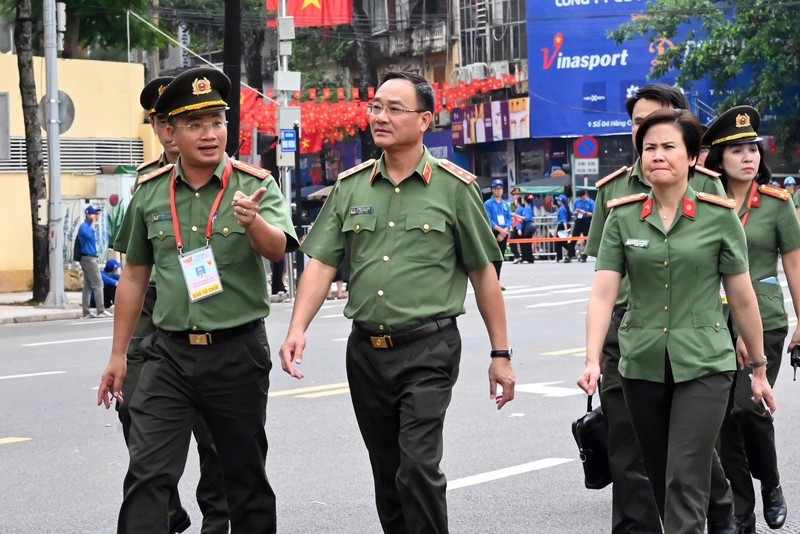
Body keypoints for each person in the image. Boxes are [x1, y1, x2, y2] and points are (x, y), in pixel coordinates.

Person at [279, 71, 515, 534]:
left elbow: (484, 273)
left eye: (394, 109)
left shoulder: (454, 188)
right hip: (366, 353)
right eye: (376, 107)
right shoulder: (351, 188)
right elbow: (322, 264)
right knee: (388, 474)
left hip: (429, 348)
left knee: (418, 468)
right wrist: (296, 328)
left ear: (425, 120)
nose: (380, 117)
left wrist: (500, 354)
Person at [97, 67, 298, 533]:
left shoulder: (255, 184)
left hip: (236, 353)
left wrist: (254, 223)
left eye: (217, 122)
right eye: (196, 125)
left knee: (243, 476)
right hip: (168, 354)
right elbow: (132, 276)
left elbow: (277, 250)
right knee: (147, 472)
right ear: (171, 131)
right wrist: (118, 355)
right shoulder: (149, 194)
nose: (210, 135)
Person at [579, 107, 776, 534]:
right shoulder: (622, 215)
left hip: (706, 363)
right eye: (649, 148)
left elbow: (742, 298)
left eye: (669, 146)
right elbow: (603, 293)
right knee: (662, 471)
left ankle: (709, 516)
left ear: (692, 157)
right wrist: (593, 359)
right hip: (641, 361)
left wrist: (758, 369)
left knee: (683, 476)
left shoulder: (718, 215)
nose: (657, 155)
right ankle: (720, 511)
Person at [113, 76, 230, 534]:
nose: (167, 130)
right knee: (137, 417)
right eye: (162, 122)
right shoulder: (147, 184)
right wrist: (119, 350)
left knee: (216, 439)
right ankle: (165, 510)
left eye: (174, 120)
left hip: (210, 319)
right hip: (152, 324)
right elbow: (133, 269)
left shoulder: (227, 178)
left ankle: (218, 520)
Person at [703, 105, 798, 532]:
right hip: (711, 321)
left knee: (748, 406)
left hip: (766, 318)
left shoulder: (778, 204)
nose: (749, 157)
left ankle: (772, 484)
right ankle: (742, 509)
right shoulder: (704, 204)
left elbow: (795, 267)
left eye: (753, 149)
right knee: (721, 419)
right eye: (737, 150)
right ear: (718, 160)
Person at [78, 205, 112, 318]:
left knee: (88, 286)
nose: (96, 216)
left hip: (91, 257)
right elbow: (88, 234)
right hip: (88, 258)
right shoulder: (84, 227)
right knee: (98, 283)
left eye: (97, 214)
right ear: (88, 215)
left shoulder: (90, 226)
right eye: (94, 214)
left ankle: (86, 312)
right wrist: (93, 222)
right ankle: (100, 310)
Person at [484, 178, 512, 287]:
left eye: (500, 189)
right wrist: (499, 230)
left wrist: (505, 230)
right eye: (496, 189)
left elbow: (509, 218)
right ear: (492, 190)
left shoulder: (506, 204)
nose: (498, 191)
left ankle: (497, 281)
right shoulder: (488, 204)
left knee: (500, 258)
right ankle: (491, 281)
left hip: (503, 232)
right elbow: (488, 219)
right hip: (493, 232)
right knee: (492, 258)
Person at [572, 187, 595, 262]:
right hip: (578, 220)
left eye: (582, 197)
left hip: (587, 220)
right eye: (580, 197)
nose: (581, 198)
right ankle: (569, 254)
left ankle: (584, 256)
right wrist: (576, 212)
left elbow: (594, 214)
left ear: (585, 195)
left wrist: (584, 212)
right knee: (574, 237)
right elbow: (573, 211)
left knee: (587, 238)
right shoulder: (577, 201)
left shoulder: (591, 202)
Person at [555, 194, 574, 262]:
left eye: (558, 200)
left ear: (561, 201)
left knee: (558, 242)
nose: (557, 201)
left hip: (562, 226)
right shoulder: (566, 208)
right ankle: (572, 252)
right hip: (566, 226)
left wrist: (566, 229)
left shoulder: (562, 209)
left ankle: (559, 257)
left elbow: (563, 220)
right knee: (563, 242)